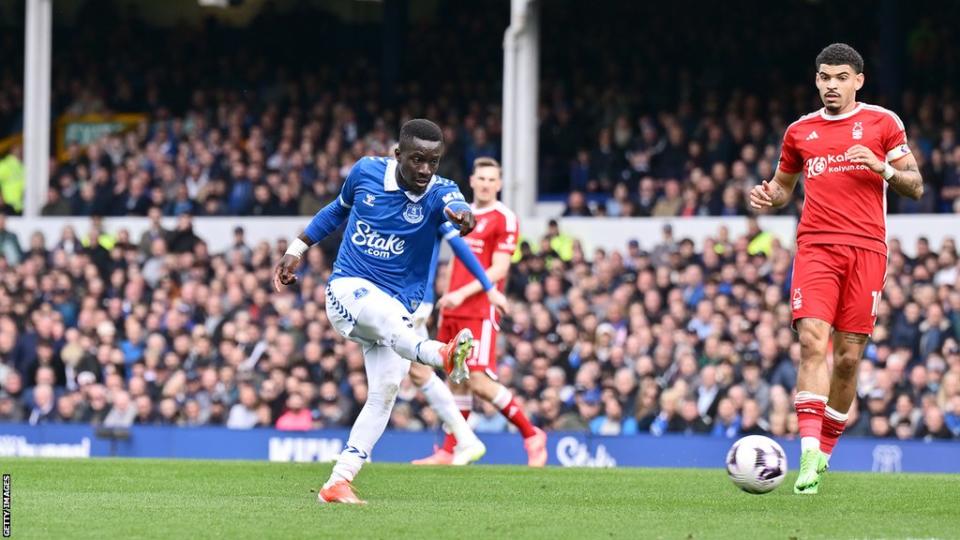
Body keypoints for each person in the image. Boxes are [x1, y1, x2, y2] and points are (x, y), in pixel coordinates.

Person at [274, 119, 508, 505]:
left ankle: (338, 482)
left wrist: (465, 217)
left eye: (433, 161)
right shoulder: (365, 172)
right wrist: (296, 250)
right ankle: (443, 354)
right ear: (398, 154)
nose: (424, 169)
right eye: (416, 159)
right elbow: (336, 210)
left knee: (385, 391)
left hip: (396, 308)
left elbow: (459, 207)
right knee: (389, 318)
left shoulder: (440, 191)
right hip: (348, 292)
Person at [749, 43, 923, 494]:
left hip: (867, 250)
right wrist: (770, 196)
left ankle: (824, 453)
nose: (832, 85)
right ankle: (805, 454)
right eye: (825, 77)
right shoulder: (799, 132)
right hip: (815, 248)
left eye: (841, 77)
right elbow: (785, 188)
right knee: (812, 343)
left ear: (858, 81)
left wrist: (883, 167)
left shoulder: (884, 123)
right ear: (816, 81)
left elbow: (916, 186)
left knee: (847, 360)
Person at [410, 157, 547, 467]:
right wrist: (447, 296)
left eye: (491, 179)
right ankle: (449, 449)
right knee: (455, 379)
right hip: (453, 308)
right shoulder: (460, 214)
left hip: (479, 310)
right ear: (471, 181)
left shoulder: (504, 218)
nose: (485, 184)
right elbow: (455, 258)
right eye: (481, 178)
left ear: (499, 184)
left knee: (478, 380)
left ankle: (531, 434)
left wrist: (461, 293)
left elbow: (499, 268)